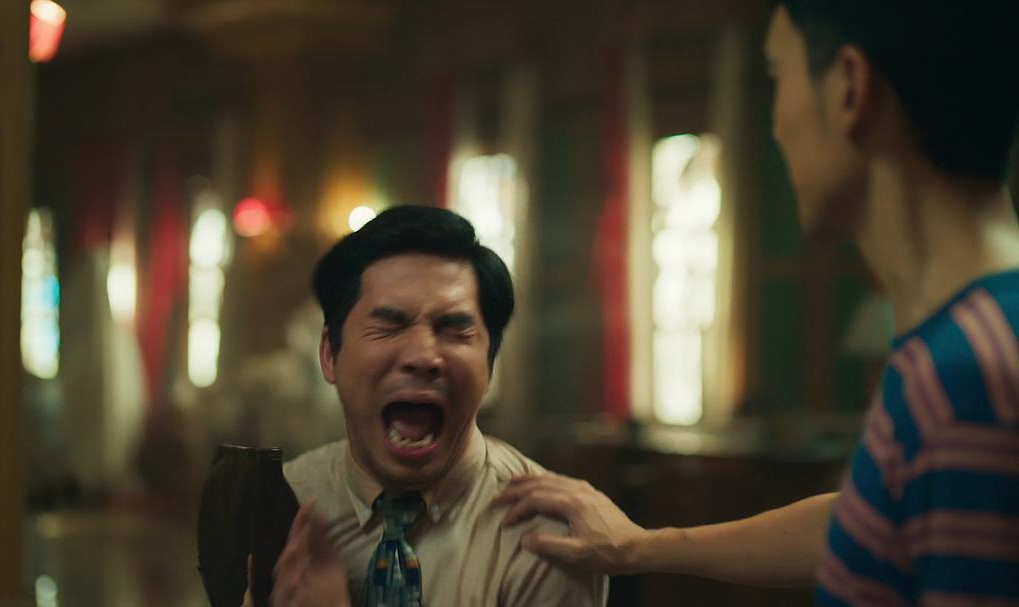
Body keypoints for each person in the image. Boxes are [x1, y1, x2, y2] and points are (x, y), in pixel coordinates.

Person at [495, 0, 1019, 605]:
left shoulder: (969, 375)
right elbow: (865, 520)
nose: (776, 124)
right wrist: (641, 545)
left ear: (849, 89)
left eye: (778, 77)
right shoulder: (968, 346)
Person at [264, 205, 608, 606]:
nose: (423, 356)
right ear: (329, 354)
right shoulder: (282, 504)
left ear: (490, 365)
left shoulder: (547, 534)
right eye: (389, 326)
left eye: (454, 330)